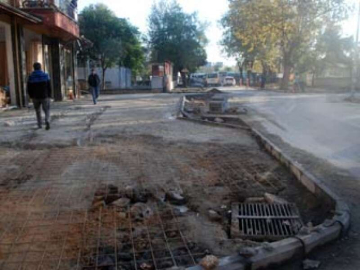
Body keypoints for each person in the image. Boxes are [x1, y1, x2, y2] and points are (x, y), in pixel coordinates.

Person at [27, 62, 52, 130]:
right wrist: (49, 95)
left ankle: (40, 124)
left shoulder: (31, 77)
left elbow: (28, 88)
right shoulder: (45, 75)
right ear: (40, 67)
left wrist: (31, 96)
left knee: (38, 111)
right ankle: (47, 120)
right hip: (45, 96)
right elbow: (49, 87)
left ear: (34, 68)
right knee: (47, 110)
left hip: (35, 97)